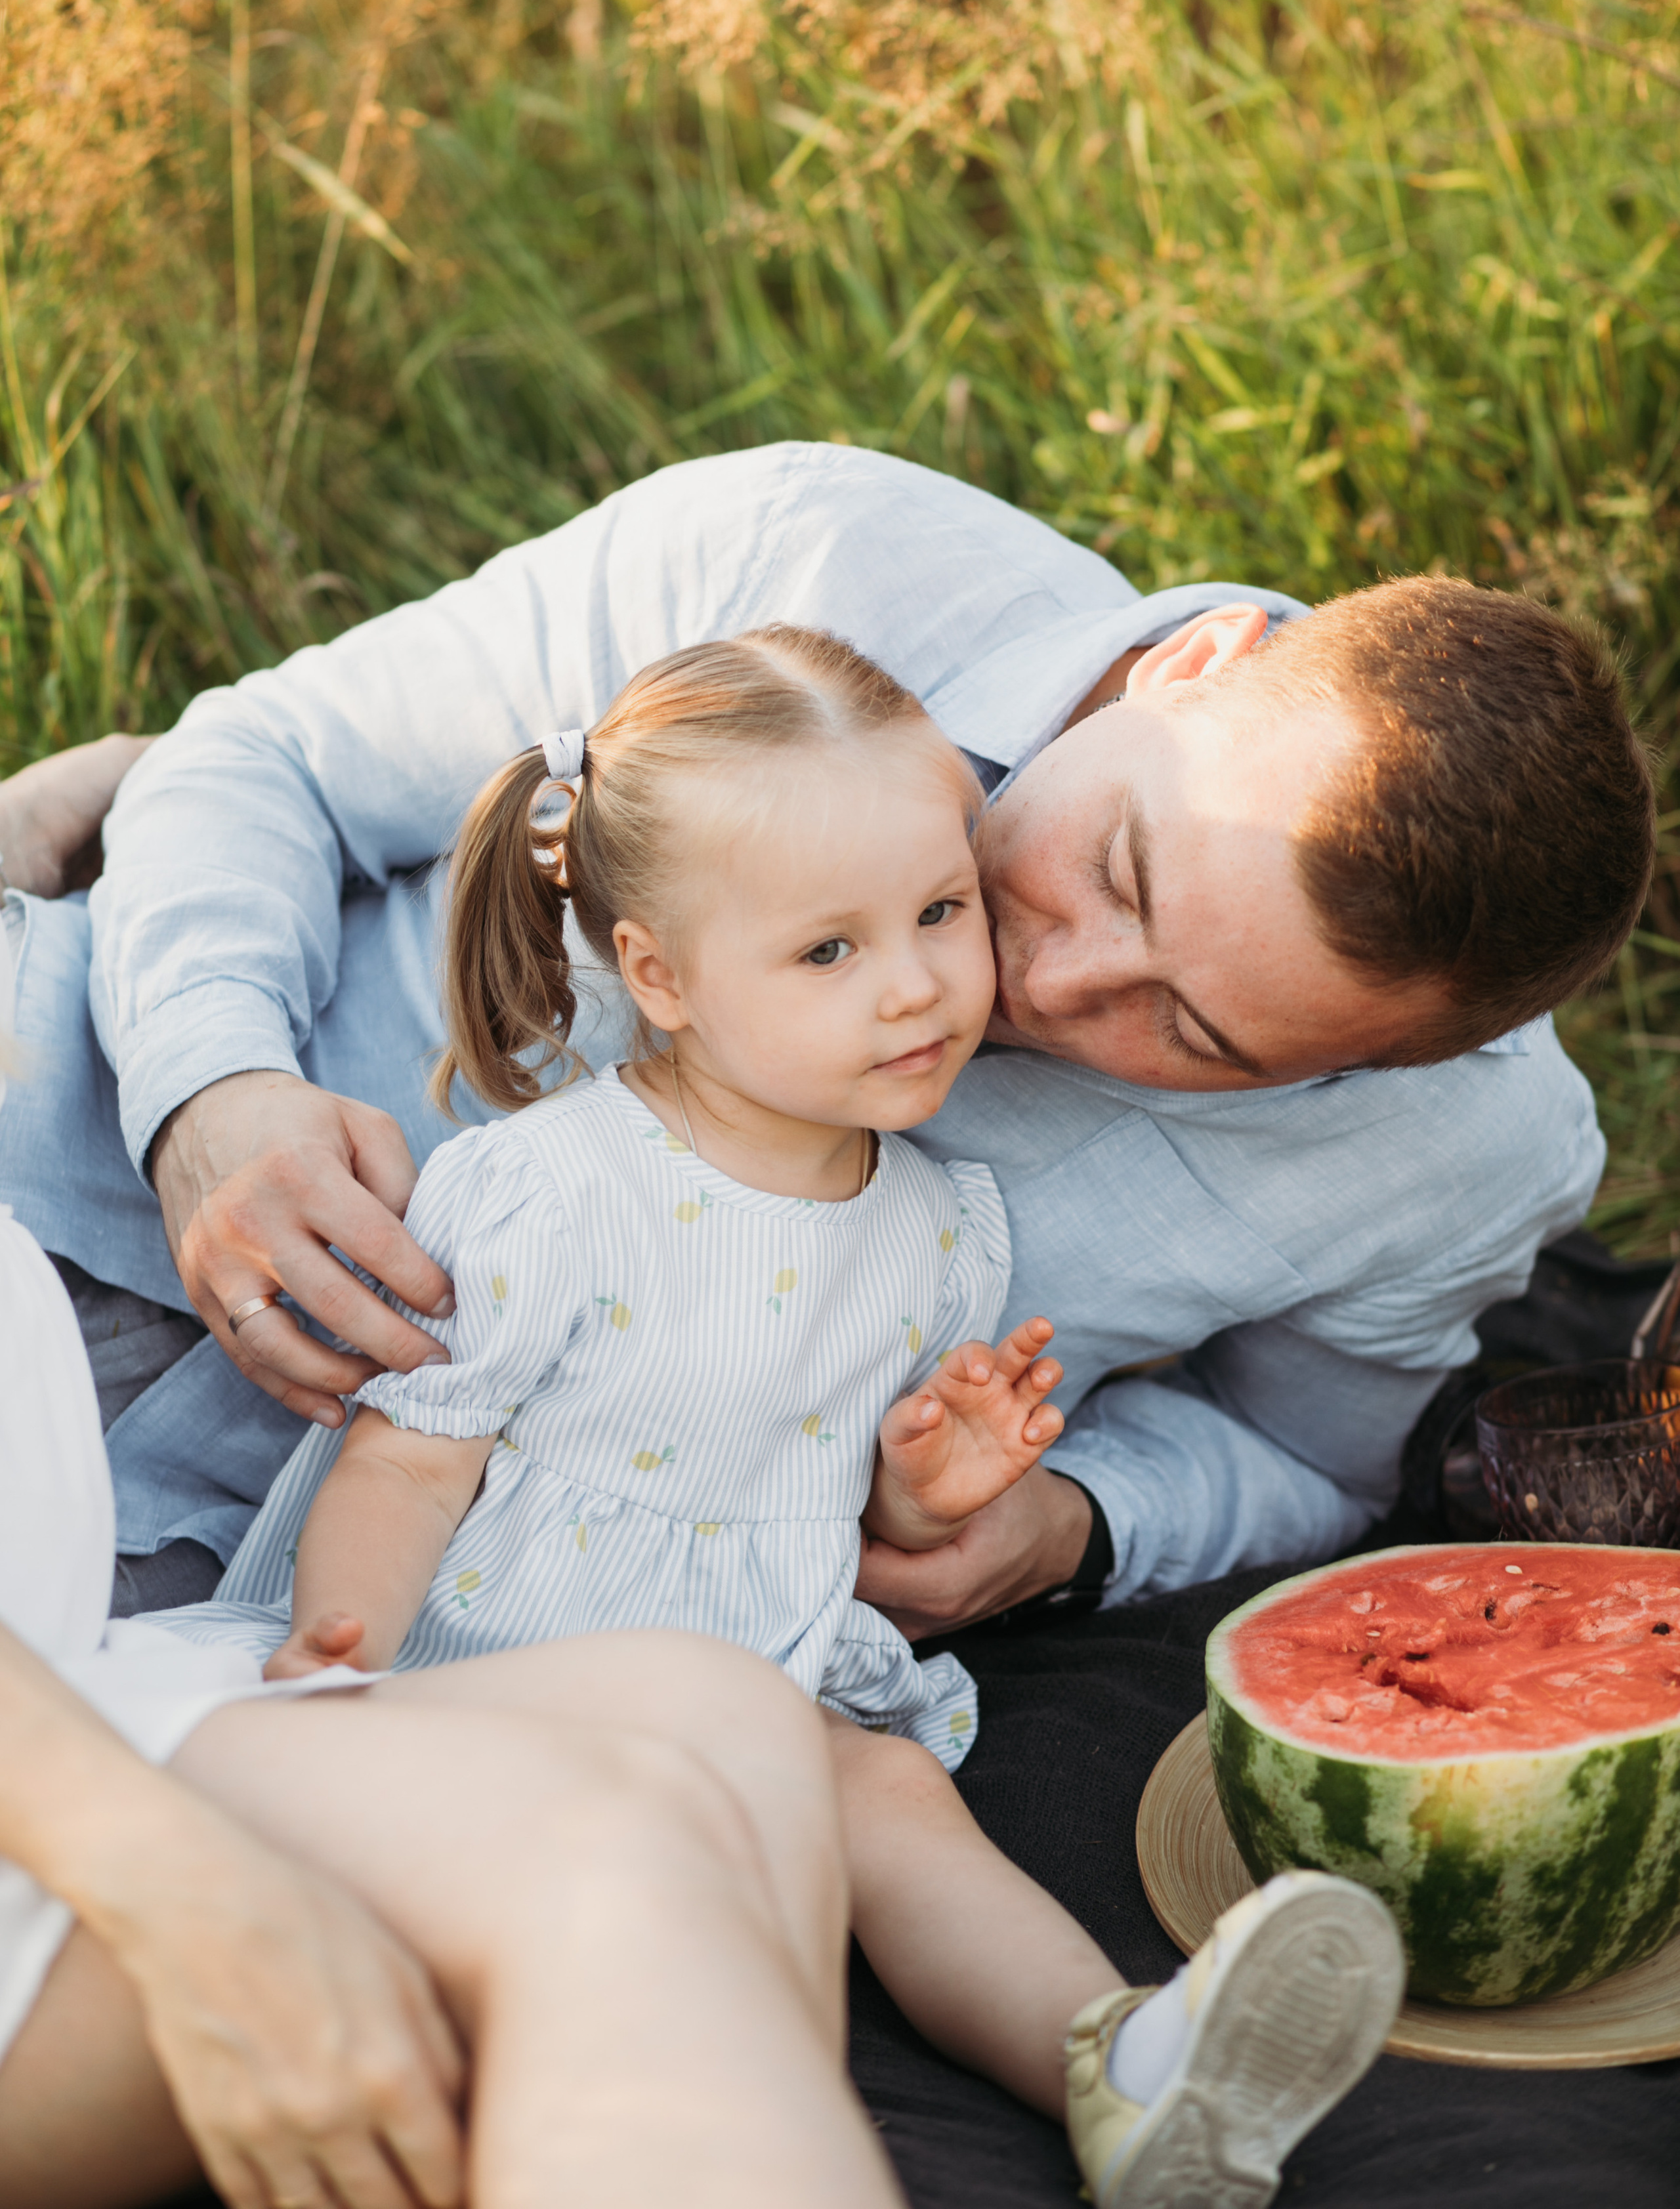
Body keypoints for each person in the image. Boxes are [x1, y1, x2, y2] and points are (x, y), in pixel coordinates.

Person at [138, 625, 1406, 2209]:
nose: (917, 986)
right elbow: (409, 1455)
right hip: (491, 1662)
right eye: (829, 953)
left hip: (751, 1672)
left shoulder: (940, 1226)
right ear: (658, 976)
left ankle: (1120, 2064)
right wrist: (340, 1665)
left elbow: (837, 1513)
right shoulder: (551, 1188)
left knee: (887, 1789)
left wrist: (933, 1492)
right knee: (661, 1882)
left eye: (940, 912)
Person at [0, 446, 1653, 1624]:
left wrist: (1068, 1527)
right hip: (62, 1121)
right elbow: (271, 755)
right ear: (1199, 660)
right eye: (1118, 864)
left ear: (1382, 1070)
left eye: (1195, 1038)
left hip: (285, 1556)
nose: (1045, 979)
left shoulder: (1461, 1157)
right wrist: (211, 1085)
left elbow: (1303, 1450)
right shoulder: (817, 550)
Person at [0, 931, 907, 2209]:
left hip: (64, 1688)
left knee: (730, 1717)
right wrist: (184, 1886)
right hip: (54, 1787)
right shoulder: (556, 1184)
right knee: (594, 1858)